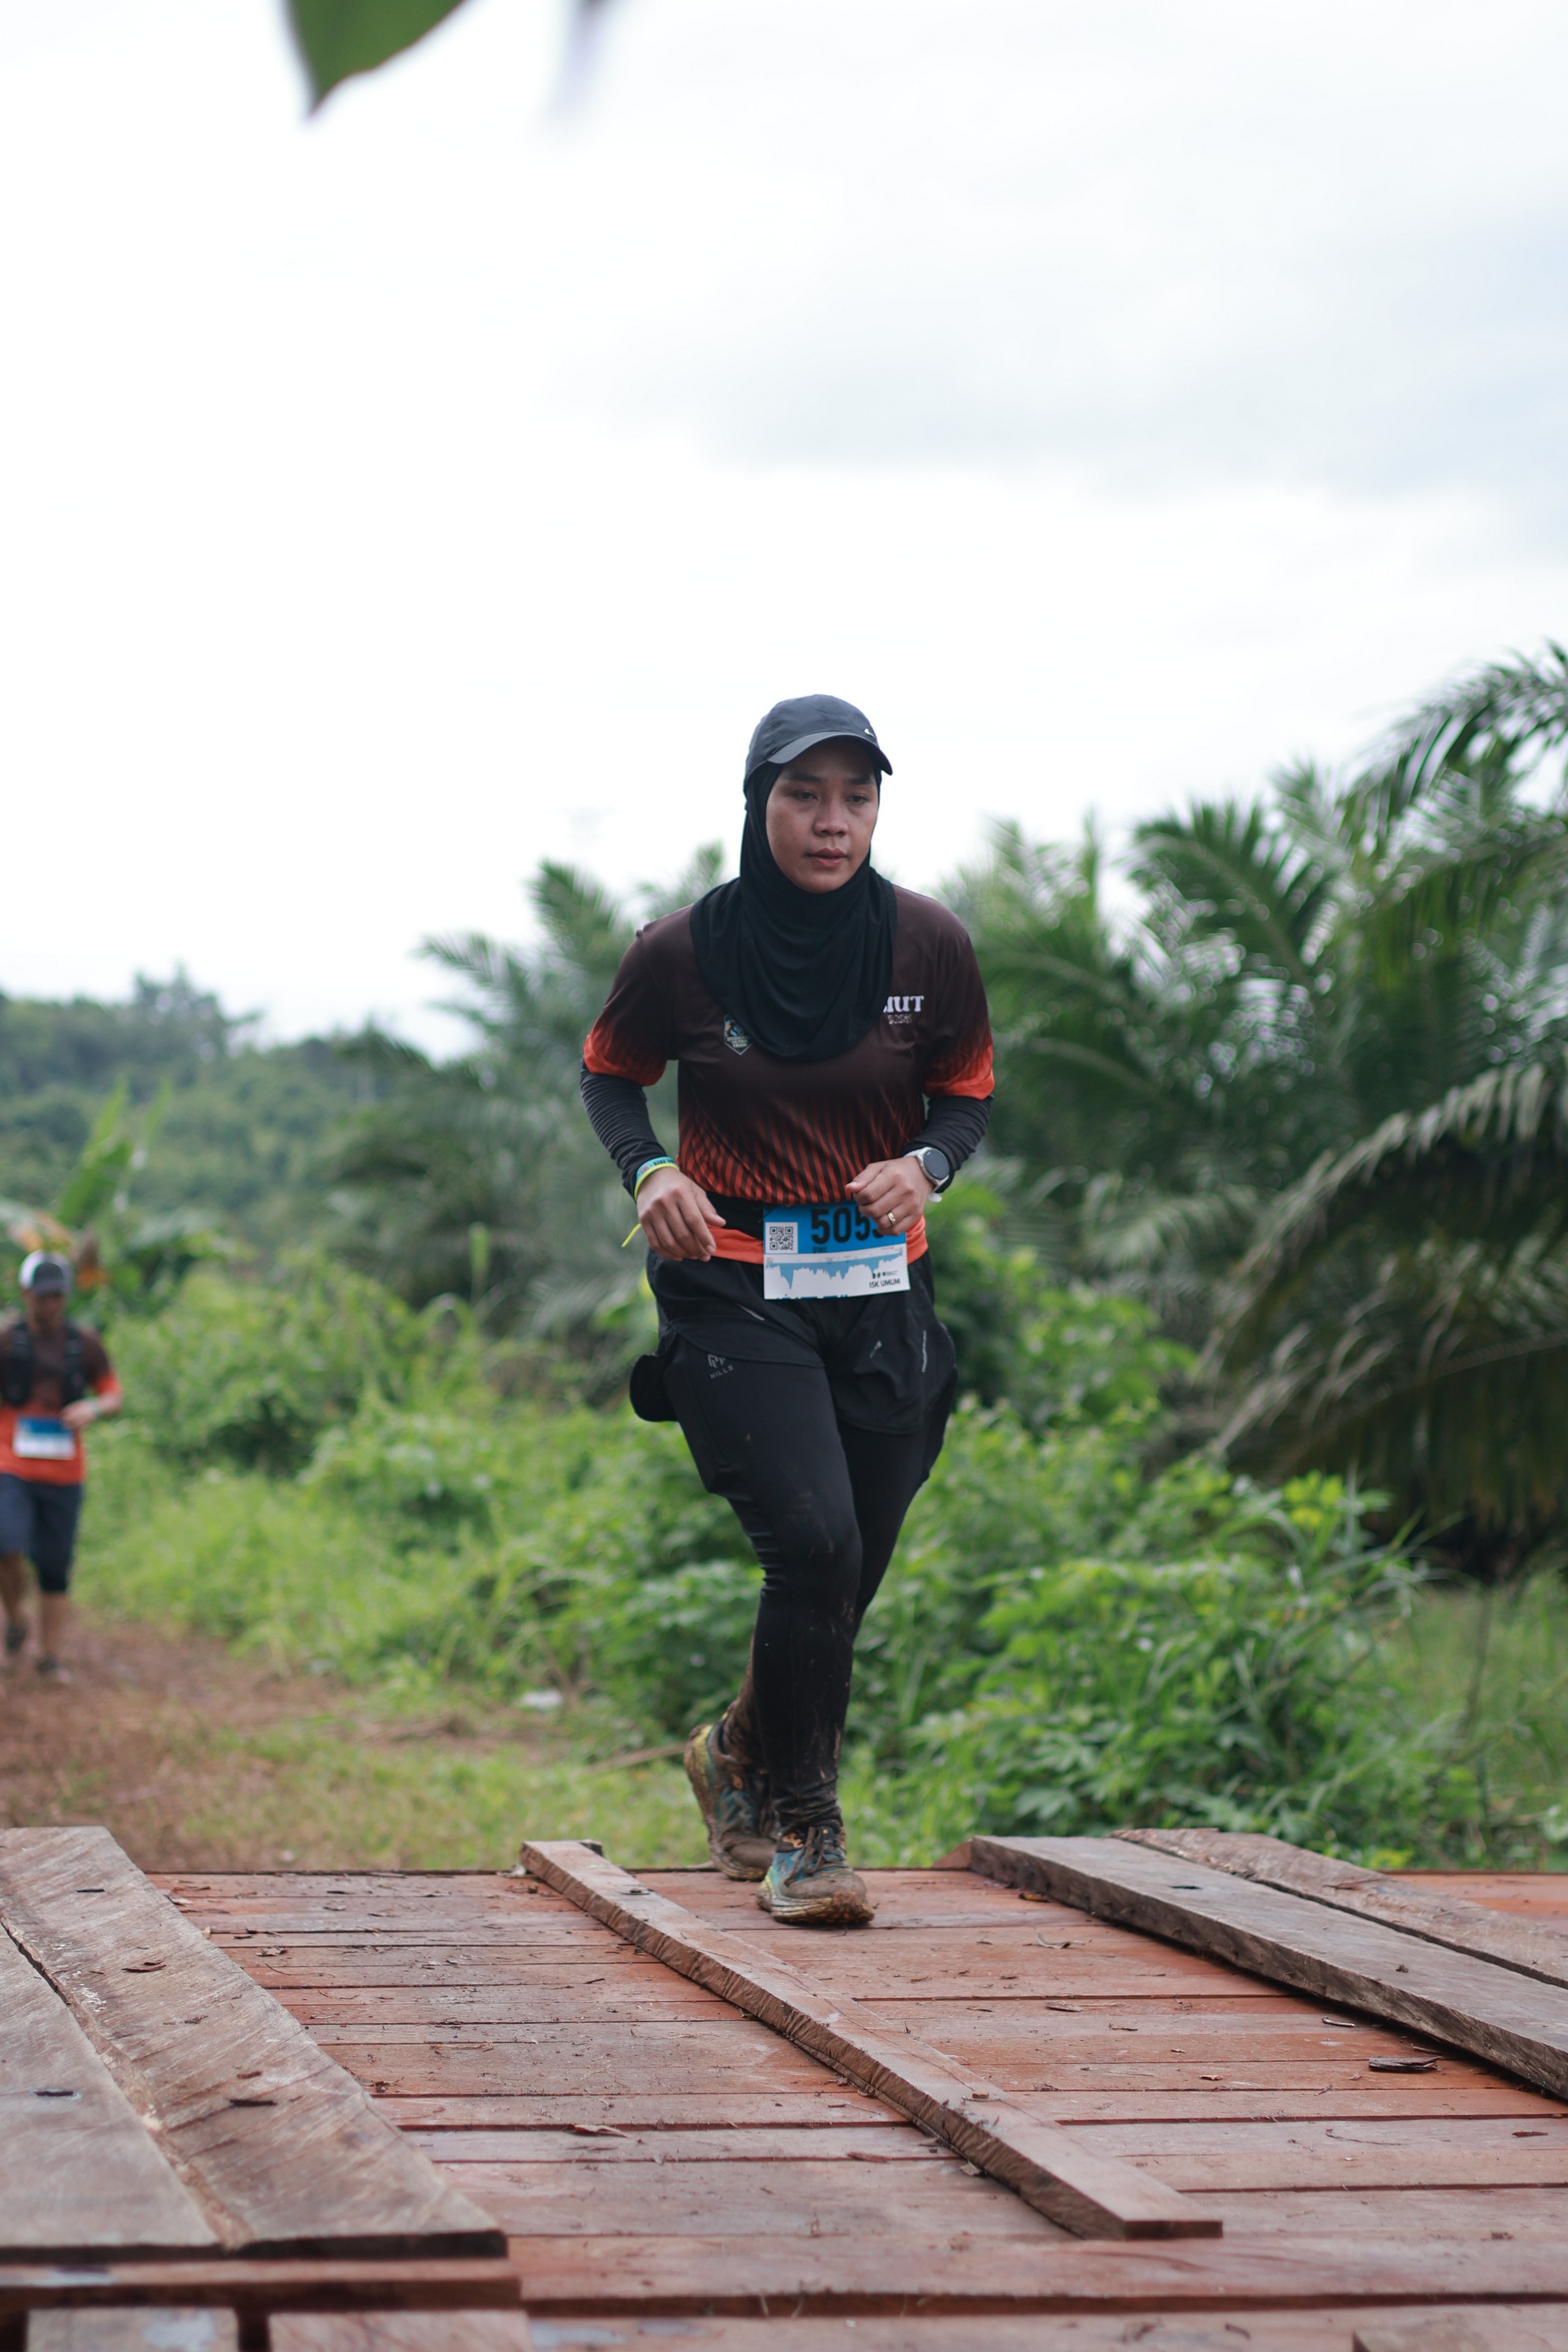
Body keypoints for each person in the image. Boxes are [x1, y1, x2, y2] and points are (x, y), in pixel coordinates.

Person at [581, 694, 993, 1925]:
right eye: (805, 795)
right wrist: (650, 1172)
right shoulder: (681, 953)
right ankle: (808, 1836)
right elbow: (610, 1075)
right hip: (731, 1283)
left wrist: (927, 1166)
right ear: (759, 802)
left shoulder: (928, 946)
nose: (832, 821)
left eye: (856, 797)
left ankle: (736, 1748)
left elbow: (967, 1093)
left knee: (848, 1567)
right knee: (813, 1547)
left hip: (880, 1294)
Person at [0, 1251, 122, 1679]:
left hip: (64, 1472)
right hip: (10, 1463)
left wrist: (94, 1408)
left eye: (57, 1296)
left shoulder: (84, 1343)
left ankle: (49, 1656)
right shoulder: (6, 1340)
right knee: (6, 1543)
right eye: (42, 1296)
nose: (49, 1304)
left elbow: (112, 1393)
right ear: (26, 1294)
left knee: (55, 1565)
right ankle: (16, 1617)